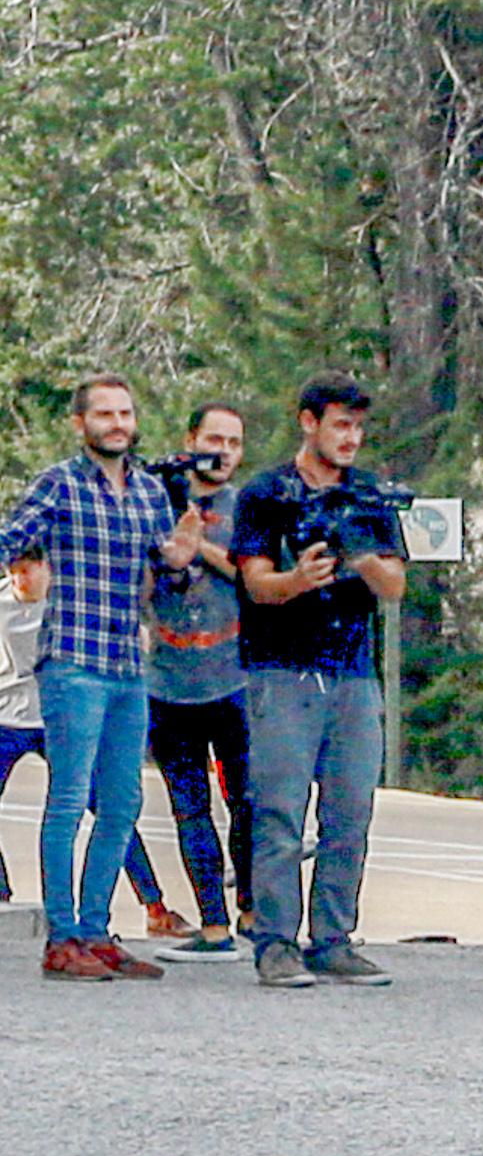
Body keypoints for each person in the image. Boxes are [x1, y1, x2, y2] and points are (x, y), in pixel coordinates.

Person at [5, 376, 211, 981]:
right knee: (67, 800)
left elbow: (165, 580)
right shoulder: (60, 483)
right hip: (72, 661)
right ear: (81, 424)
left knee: (121, 803)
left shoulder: (149, 491)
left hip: (127, 666)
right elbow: (12, 540)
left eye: (125, 412)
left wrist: (179, 558)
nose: (117, 422)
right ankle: (61, 935)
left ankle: (97, 931)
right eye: (104, 413)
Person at [232, 374, 408, 990]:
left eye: (358, 427)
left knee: (350, 811)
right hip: (281, 671)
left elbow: (394, 586)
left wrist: (360, 553)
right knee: (279, 812)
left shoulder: (368, 496)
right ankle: (275, 941)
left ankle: (333, 937)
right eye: (340, 425)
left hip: (353, 673)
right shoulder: (265, 493)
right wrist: (300, 578)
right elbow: (254, 583)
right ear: (308, 422)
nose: (351, 438)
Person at [144, 399, 252, 959]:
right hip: (167, 683)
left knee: (248, 803)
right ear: (191, 441)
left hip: (235, 678)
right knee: (190, 809)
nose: (224, 454)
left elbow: (253, 575)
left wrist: (198, 547)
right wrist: (167, 555)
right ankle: (214, 926)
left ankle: (254, 911)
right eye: (214, 441)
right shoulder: (151, 501)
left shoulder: (249, 505)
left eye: (234, 444)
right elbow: (141, 586)